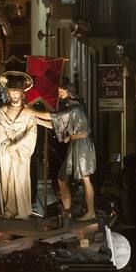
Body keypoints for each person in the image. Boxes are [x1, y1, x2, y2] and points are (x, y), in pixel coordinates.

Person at [33, 82, 97, 221]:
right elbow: (57, 124)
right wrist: (36, 120)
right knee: (62, 178)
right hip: (75, 144)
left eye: (62, 92)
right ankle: (67, 212)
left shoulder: (74, 108)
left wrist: (32, 112)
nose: (60, 94)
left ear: (69, 92)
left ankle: (91, 212)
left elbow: (53, 117)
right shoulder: (71, 107)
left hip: (81, 145)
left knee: (85, 178)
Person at [0, 72, 38, 219]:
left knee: (21, 180)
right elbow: (0, 132)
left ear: (22, 93)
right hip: (6, 152)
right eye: (11, 91)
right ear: (8, 93)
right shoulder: (2, 111)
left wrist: (18, 146)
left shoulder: (28, 112)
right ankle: (9, 210)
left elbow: (32, 133)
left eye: (17, 91)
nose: (14, 94)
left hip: (22, 152)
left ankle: (22, 211)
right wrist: (8, 147)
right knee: (7, 179)